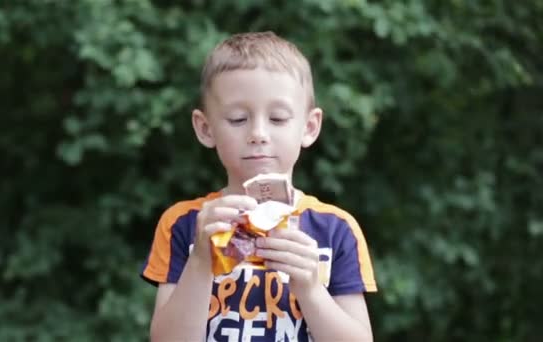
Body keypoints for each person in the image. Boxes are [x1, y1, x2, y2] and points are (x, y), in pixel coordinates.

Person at [141, 31, 377, 341]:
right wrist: (200, 261)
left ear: (309, 127)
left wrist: (310, 289)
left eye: (278, 119)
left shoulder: (335, 229)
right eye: (238, 119)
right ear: (205, 128)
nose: (258, 133)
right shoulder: (186, 224)